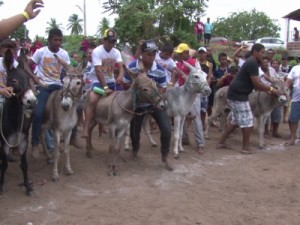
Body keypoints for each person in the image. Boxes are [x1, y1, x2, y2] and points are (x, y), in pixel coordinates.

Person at [217, 43, 280, 154]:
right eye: (261, 52)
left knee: (236, 120)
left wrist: (268, 88)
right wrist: (271, 89)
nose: (263, 54)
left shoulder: (252, 62)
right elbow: (256, 84)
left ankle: (221, 142)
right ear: (255, 52)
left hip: (237, 93)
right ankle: (245, 147)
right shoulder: (252, 63)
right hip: (238, 95)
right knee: (248, 121)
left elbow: (257, 82)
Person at [28, 28, 82, 159]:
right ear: (49, 40)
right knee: (39, 112)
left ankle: (73, 136)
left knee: (78, 107)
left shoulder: (63, 54)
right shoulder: (41, 52)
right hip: (44, 85)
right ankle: (35, 142)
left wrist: (74, 72)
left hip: (59, 85)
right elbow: (27, 65)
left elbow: (69, 69)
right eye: (55, 40)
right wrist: (34, 78)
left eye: (60, 40)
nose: (58, 42)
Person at [123, 40, 172, 163]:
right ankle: (135, 150)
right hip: (137, 104)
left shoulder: (160, 69)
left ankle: (165, 155)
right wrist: (137, 87)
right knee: (135, 131)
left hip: (154, 104)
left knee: (166, 128)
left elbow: (163, 88)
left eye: (153, 54)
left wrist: (152, 94)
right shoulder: (132, 67)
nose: (152, 57)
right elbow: (125, 84)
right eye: (149, 54)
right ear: (142, 54)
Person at [82, 28, 124, 138]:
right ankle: (86, 128)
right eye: (110, 41)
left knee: (123, 101)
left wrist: (120, 76)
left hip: (112, 82)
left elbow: (121, 66)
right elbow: (98, 70)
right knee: (92, 100)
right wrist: (105, 87)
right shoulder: (97, 51)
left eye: (114, 41)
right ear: (104, 40)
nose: (112, 43)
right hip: (98, 82)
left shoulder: (116, 52)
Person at [174, 43, 206, 153]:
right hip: (182, 92)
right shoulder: (178, 63)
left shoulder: (194, 63)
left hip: (193, 94)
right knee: (181, 115)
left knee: (195, 116)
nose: (178, 55)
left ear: (186, 53)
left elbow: (199, 76)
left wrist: (182, 74)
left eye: (180, 53)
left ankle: (200, 143)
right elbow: (175, 76)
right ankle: (184, 138)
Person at [285, 58, 300, 146]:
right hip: (296, 98)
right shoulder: (295, 68)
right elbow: (288, 80)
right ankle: (293, 138)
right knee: (293, 118)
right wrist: (285, 88)